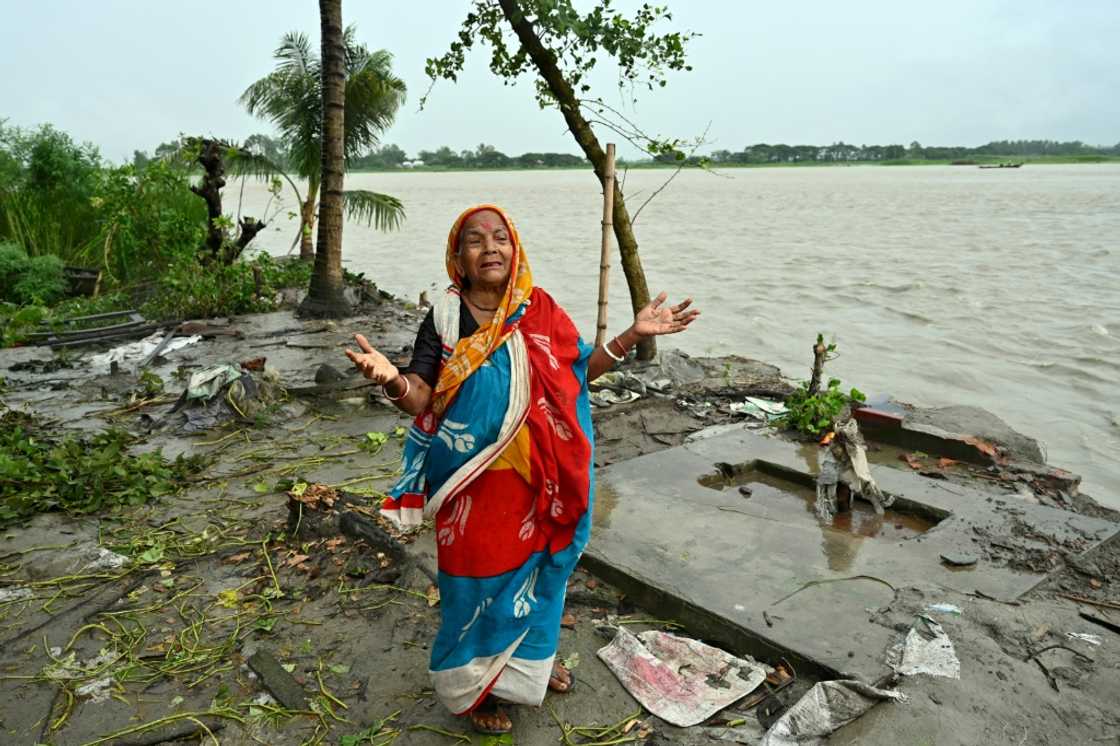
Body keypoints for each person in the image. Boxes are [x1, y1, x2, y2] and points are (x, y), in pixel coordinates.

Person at [345, 204, 699, 735]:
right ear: (457, 258)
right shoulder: (444, 317)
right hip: (468, 482)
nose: (490, 248)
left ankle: (523, 670)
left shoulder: (542, 310)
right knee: (473, 584)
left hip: (539, 479)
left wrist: (632, 334)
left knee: (539, 575)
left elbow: (577, 370)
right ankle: (473, 690)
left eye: (500, 238)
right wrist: (391, 378)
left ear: (515, 250)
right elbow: (420, 398)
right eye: (474, 240)